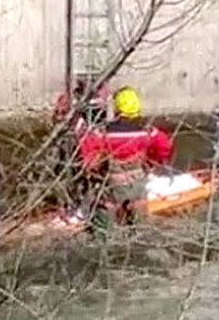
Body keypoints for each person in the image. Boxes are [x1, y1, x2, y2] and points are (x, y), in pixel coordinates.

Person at [74, 86, 174, 231]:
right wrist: (151, 163)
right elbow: (164, 147)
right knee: (140, 226)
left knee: (103, 224)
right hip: (138, 186)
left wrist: (93, 171)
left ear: (116, 108)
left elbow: (88, 156)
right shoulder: (147, 132)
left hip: (112, 188)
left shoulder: (103, 133)